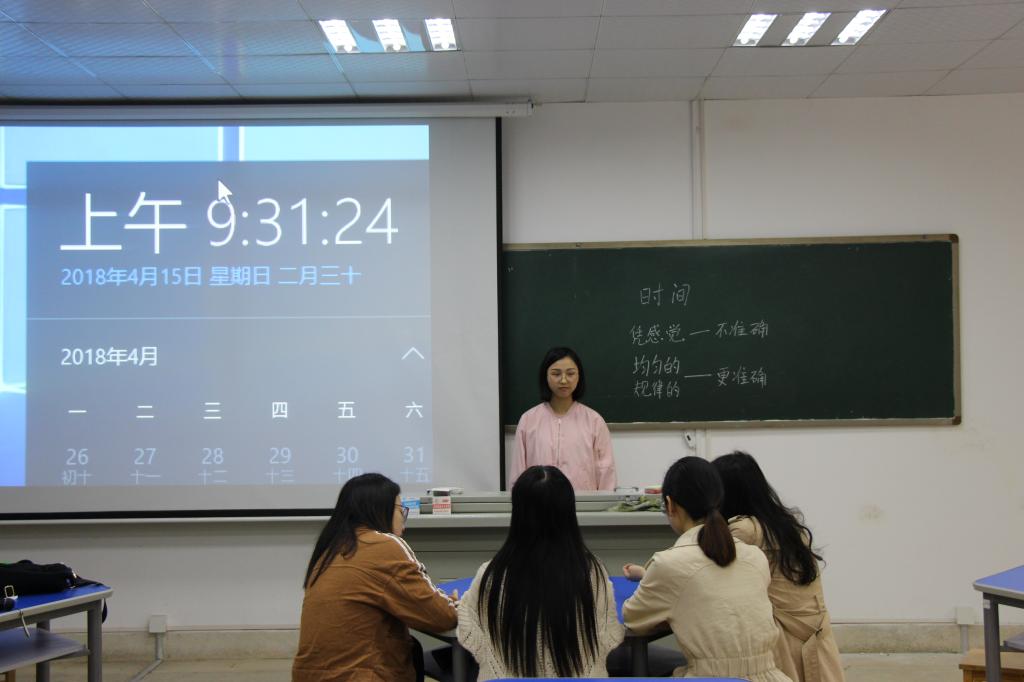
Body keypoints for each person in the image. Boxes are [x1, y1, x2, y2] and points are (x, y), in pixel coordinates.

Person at [621, 456, 792, 682]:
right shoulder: (754, 557)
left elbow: (633, 618)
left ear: (670, 505)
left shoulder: (668, 563)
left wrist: (652, 579)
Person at [457, 465, 624, 679]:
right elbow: (608, 635)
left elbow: (469, 625)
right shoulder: (592, 573)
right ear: (568, 512)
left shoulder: (491, 575)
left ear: (518, 513)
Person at [292, 473, 456, 682]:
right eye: (401, 510)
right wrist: (452, 604)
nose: (403, 519)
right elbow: (441, 617)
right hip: (360, 676)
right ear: (382, 510)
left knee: (412, 647)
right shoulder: (385, 545)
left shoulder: (330, 549)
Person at [713, 451, 844, 682]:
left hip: (783, 639)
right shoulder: (786, 524)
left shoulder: (744, 530)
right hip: (816, 635)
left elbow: (706, 575)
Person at [510, 347, 617, 491]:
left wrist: (605, 503)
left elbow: (606, 472)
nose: (564, 380)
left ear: (579, 376)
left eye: (570, 373)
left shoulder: (594, 421)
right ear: (546, 376)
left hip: (582, 502)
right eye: (556, 374)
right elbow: (518, 472)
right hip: (538, 501)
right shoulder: (528, 420)